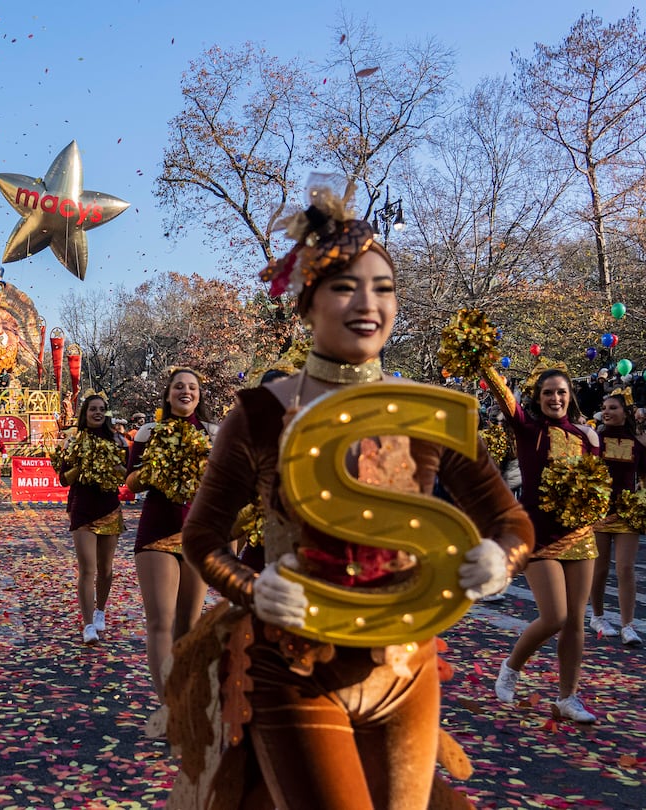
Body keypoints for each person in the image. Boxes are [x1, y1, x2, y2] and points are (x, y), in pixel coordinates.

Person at [175, 184, 531, 808]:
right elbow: (203, 537)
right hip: (295, 664)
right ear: (308, 304)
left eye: (384, 288)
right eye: (345, 287)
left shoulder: (428, 412)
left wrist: (503, 558)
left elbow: (510, 520)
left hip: (407, 664)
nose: (369, 304)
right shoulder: (259, 414)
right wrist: (253, 589)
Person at [482, 359, 602, 722]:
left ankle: (568, 697)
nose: (555, 398)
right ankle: (511, 666)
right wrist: (483, 358)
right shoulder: (527, 428)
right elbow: (504, 397)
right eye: (548, 393)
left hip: (579, 535)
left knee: (576, 622)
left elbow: (596, 485)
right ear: (538, 398)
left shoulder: (587, 436)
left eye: (561, 392)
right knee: (554, 617)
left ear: (571, 396)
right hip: (539, 536)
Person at [126, 368, 216, 700]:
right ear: (168, 394)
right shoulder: (148, 432)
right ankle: (169, 706)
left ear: (199, 395)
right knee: (161, 622)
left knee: (189, 626)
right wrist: (157, 468)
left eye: (192, 387)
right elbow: (132, 482)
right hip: (157, 532)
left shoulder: (213, 433)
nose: (186, 391)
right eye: (179, 386)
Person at [56, 394, 128, 645]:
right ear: (85, 414)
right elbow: (63, 479)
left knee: (105, 570)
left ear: (106, 414)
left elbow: (126, 476)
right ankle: (88, 626)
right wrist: (84, 464)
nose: (97, 413)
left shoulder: (118, 440)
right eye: (92, 409)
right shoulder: (74, 440)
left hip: (109, 508)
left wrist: (113, 466)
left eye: (102, 409)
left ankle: (100, 611)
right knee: (88, 570)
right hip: (82, 509)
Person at [588, 393, 645, 646]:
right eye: (604, 408)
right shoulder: (595, 439)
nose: (607, 411)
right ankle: (597, 616)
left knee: (625, 569)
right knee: (599, 570)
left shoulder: (637, 442)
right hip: (600, 512)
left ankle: (628, 625)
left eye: (613, 407)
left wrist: (641, 502)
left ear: (626, 412)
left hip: (627, 513)